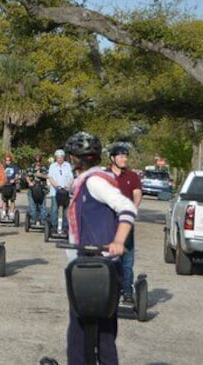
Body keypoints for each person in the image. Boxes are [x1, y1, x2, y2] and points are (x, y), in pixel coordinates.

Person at [65, 132, 137, 365]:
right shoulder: (85, 181)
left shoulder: (94, 182)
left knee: (83, 330)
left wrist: (118, 240)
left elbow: (127, 207)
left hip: (98, 266)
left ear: (74, 158)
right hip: (87, 264)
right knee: (99, 330)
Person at [107, 144, 142, 304]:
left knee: (126, 260)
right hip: (107, 223)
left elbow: (137, 193)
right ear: (112, 158)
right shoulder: (104, 175)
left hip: (125, 224)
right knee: (109, 258)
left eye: (126, 156)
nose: (124, 159)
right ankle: (108, 290)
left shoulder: (132, 176)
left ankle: (127, 291)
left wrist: (133, 210)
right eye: (121, 156)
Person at [47, 149, 74, 234]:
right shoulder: (52, 166)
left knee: (66, 210)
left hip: (66, 192)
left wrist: (68, 186)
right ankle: (54, 227)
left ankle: (66, 227)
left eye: (61, 157)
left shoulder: (68, 165)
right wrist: (57, 186)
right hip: (55, 192)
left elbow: (71, 178)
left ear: (63, 157)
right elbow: (50, 178)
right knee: (54, 209)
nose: (60, 159)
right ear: (55, 158)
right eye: (58, 157)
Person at [25, 154, 48, 225]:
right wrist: (30, 182)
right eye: (36, 161)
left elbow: (48, 176)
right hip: (32, 189)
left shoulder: (44, 168)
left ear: (41, 161)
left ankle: (43, 221)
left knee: (43, 207)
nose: (37, 163)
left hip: (42, 189)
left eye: (39, 161)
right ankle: (33, 219)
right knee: (32, 206)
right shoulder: (30, 168)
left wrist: (41, 175)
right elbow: (27, 176)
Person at [1, 153, 20, 218]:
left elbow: (17, 175)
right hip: (5, 185)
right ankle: (3, 213)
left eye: (9, 160)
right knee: (4, 200)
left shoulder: (14, 167)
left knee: (12, 200)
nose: (7, 161)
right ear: (5, 160)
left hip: (12, 186)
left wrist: (14, 179)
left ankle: (11, 213)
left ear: (11, 160)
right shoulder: (2, 167)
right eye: (6, 160)